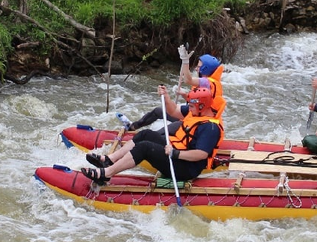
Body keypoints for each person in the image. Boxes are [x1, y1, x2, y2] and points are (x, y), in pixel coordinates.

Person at [80, 84, 223, 185]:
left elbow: (202, 154)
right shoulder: (197, 111)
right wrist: (166, 96)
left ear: (202, 106)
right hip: (177, 153)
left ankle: (106, 174)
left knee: (145, 147)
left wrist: (176, 154)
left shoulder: (210, 128)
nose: (189, 109)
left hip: (186, 168)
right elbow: (173, 111)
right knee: (146, 134)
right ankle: (109, 159)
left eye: (191, 106)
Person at [121, 53, 226, 132]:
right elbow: (197, 102)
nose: (196, 68)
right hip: (194, 112)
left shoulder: (207, 82)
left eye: (199, 67)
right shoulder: (207, 83)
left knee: (162, 131)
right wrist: (185, 95)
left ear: (205, 69)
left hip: (200, 119)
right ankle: (132, 126)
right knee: (158, 111)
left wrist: (185, 62)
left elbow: (188, 80)